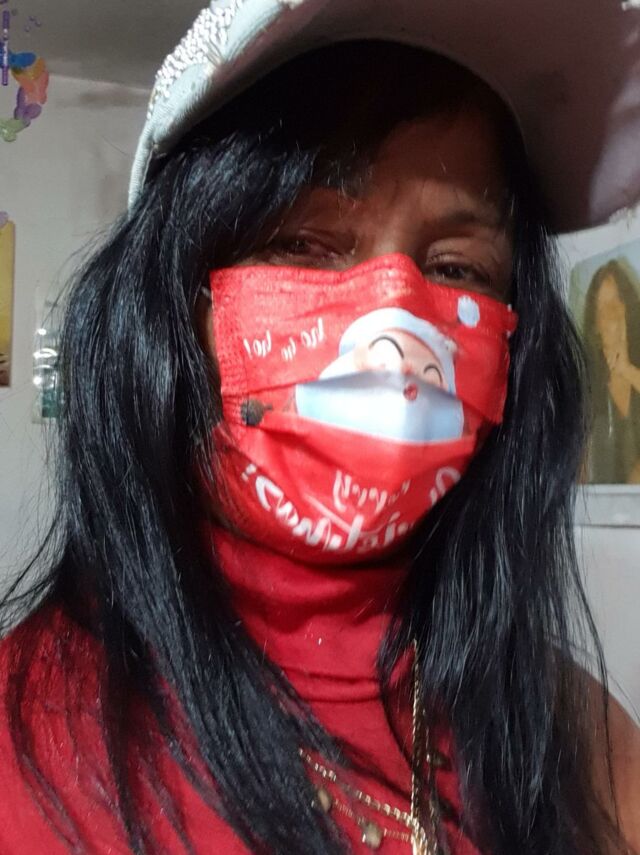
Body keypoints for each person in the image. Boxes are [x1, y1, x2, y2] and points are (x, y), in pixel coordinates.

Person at [0, 3, 639, 855]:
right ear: (172, 304)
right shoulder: (29, 754)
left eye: (456, 267)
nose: (395, 327)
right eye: (303, 243)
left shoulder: (575, 737)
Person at [583, 259, 640, 483]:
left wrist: (627, 370)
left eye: (617, 301)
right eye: (603, 309)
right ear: (596, 325)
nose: (613, 313)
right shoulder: (588, 383)